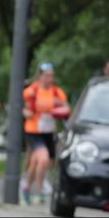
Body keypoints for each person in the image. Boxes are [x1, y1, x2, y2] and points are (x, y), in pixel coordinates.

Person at [22, 62, 69, 205]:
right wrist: (26, 113)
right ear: (40, 76)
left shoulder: (57, 92)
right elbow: (24, 109)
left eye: (52, 76)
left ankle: (26, 187)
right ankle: (41, 190)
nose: (50, 78)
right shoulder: (32, 91)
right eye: (47, 76)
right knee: (42, 159)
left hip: (49, 132)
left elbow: (67, 108)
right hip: (34, 131)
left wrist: (60, 106)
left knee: (38, 163)